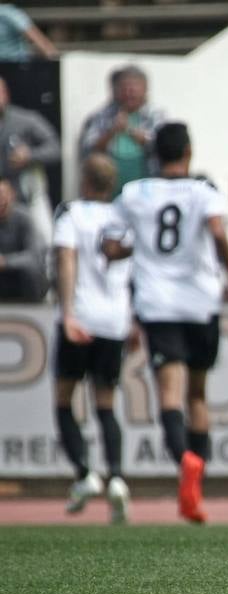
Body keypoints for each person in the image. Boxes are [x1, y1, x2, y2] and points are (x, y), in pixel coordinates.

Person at [105, 122, 228, 524]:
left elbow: (112, 244)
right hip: (200, 301)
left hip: (157, 302)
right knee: (197, 395)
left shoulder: (135, 194)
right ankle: (196, 483)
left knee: (169, 391)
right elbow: (218, 235)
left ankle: (184, 463)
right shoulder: (203, 192)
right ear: (188, 151)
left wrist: (129, 250)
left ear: (156, 154)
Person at [52, 155, 131, 524]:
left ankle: (85, 473)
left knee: (64, 399)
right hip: (114, 321)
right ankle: (116, 475)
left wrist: (68, 313)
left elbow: (66, 260)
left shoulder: (72, 214)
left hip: (81, 316)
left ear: (84, 180)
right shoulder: (123, 218)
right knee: (105, 402)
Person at [78, 65, 166, 194]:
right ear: (114, 90)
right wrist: (111, 132)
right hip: (109, 194)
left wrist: (135, 134)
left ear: (145, 89)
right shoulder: (100, 116)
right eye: (124, 88)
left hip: (148, 190)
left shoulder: (156, 115)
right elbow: (88, 149)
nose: (129, 92)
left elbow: (164, 147)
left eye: (134, 88)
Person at [0, 76, 59, 238]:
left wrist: (30, 155)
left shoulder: (27, 120)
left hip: (28, 195)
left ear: (6, 94)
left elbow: (55, 148)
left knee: (45, 238)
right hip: (2, 200)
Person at [0, 178, 44, 301]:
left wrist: (5, 262)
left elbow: (34, 256)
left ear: (12, 195)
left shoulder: (25, 218)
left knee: (31, 270)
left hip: (22, 278)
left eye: (3, 195)